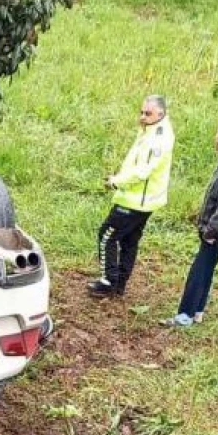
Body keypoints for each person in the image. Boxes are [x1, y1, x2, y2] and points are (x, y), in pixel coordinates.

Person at [162, 124, 218, 327]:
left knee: (198, 272)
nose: (217, 146)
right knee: (206, 270)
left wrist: (211, 229)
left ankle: (185, 316)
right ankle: (197, 312)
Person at [88, 95, 175, 298]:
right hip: (143, 200)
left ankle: (108, 281)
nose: (142, 116)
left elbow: (143, 171)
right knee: (129, 241)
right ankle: (119, 284)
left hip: (136, 200)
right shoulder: (152, 129)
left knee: (106, 235)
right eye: (141, 112)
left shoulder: (158, 139)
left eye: (148, 113)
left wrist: (117, 181)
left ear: (160, 114)